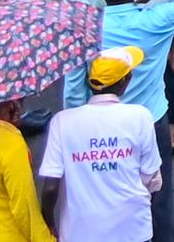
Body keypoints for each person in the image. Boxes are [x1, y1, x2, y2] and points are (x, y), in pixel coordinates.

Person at [36, 48, 159, 242]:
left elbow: (50, 187)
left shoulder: (62, 121)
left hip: (80, 233)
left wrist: (49, 223)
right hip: (132, 228)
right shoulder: (140, 116)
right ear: (124, 81)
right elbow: (150, 176)